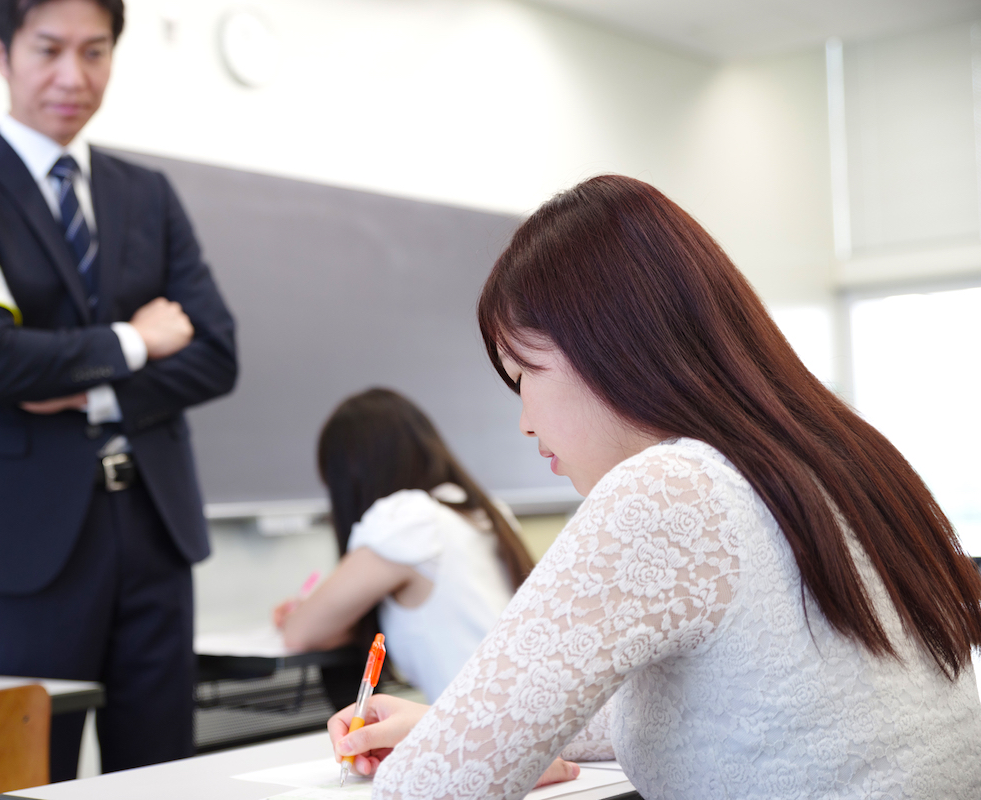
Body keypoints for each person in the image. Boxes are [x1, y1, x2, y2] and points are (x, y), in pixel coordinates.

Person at [327, 175, 981, 799]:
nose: (524, 421)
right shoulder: (840, 461)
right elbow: (712, 708)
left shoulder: (669, 489)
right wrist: (454, 729)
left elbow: (431, 788)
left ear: (606, 345)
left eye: (523, 374)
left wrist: (458, 750)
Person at [0, 0, 236, 780]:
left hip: (154, 528)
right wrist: (135, 342)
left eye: (94, 52)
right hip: (20, 538)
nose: (72, 76)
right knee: (30, 772)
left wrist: (91, 393)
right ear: (1, 52)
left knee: (161, 776)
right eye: (48, 49)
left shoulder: (148, 194)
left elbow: (216, 354)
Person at [273, 388, 535, 703]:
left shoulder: (409, 519)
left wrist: (301, 613)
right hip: (528, 710)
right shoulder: (481, 512)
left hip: (485, 723)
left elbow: (299, 634)